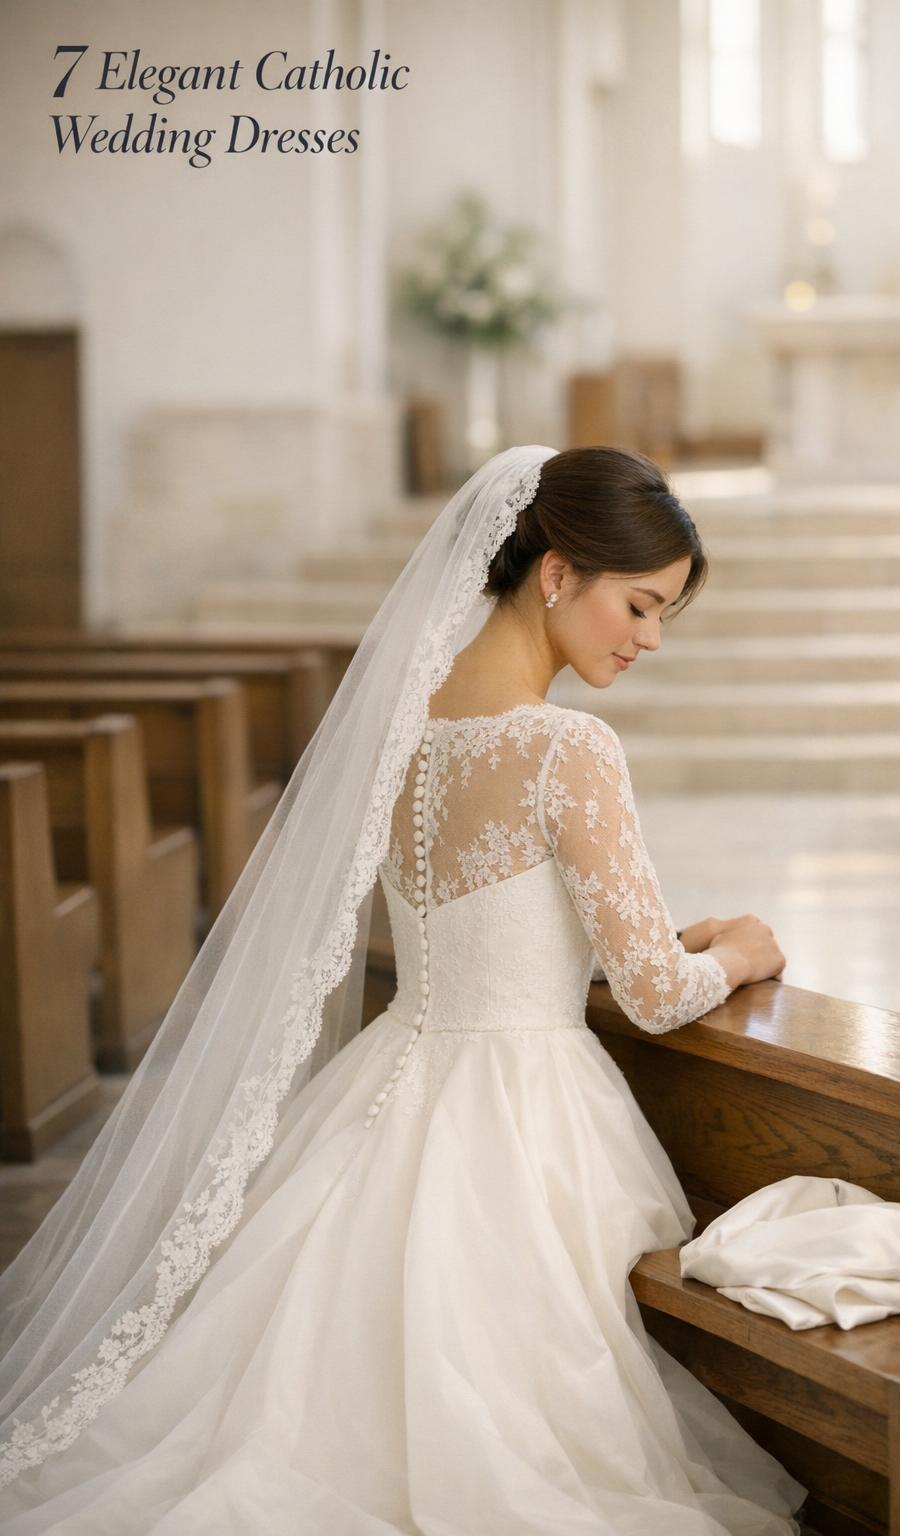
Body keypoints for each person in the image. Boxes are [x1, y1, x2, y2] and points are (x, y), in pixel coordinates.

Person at [0, 444, 806, 1533]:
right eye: (641, 604)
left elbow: (507, 919)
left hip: (388, 1083)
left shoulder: (399, 723)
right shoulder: (567, 747)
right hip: (522, 1119)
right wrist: (745, 949)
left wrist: (652, 933)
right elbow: (658, 994)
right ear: (557, 572)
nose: (649, 639)